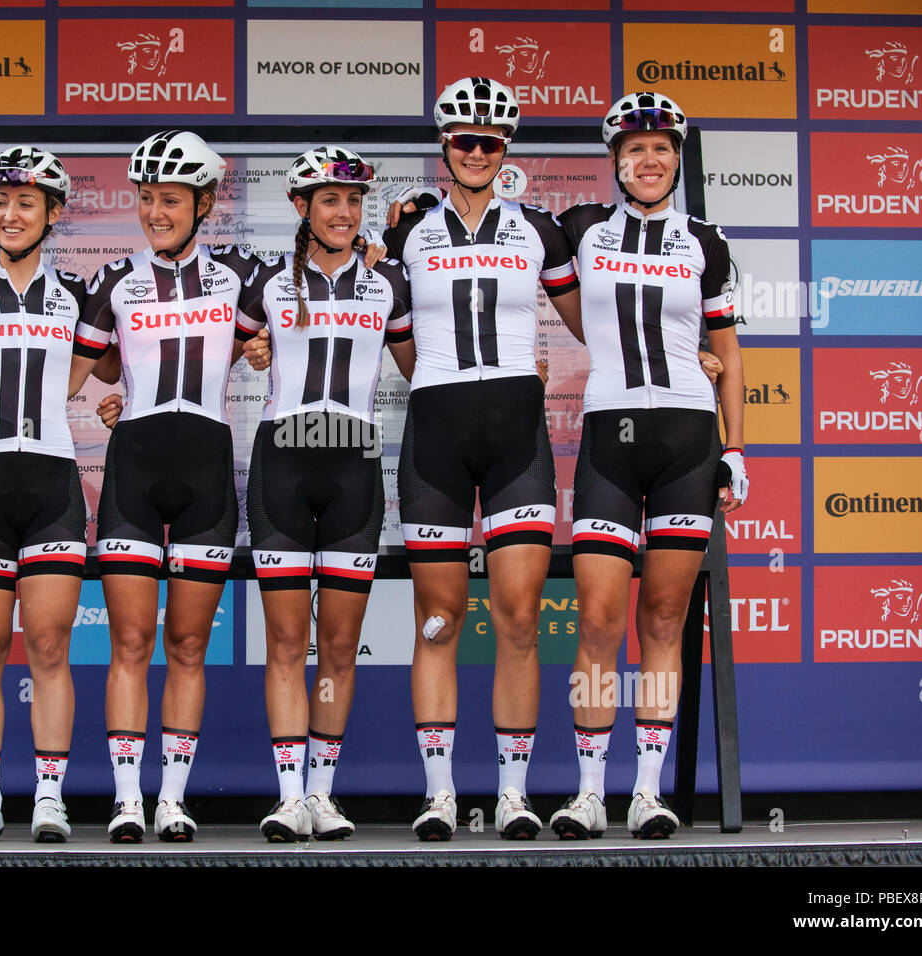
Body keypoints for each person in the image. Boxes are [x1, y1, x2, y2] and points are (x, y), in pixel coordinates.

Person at [381, 77, 584, 841]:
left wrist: (691, 350)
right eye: (463, 140)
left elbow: (595, 316)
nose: (475, 152)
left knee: (521, 620)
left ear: (506, 152)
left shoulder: (541, 229)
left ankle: (512, 795)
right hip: (434, 433)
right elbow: (393, 332)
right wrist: (439, 386)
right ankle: (438, 794)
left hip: (517, 441)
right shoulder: (404, 233)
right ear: (444, 147)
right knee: (437, 620)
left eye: (489, 142)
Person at [546, 92, 746, 840]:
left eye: (662, 148)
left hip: (688, 436)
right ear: (616, 162)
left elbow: (726, 354)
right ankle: (589, 791)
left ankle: (648, 792)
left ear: (677, 158)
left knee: (664, 616)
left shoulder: (706, 240)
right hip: (610, 437)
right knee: (598, 618)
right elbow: (504, 258)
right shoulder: (580, 228)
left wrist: (735, 446)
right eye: (635, 150)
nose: (650, 159)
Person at [81, 130, 265, 843]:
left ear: (205, 203)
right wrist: (112, 391)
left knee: (188, 644)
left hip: (208, 470)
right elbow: (92, 367)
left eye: (170, 199)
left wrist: (266, 344)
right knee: (129, 640)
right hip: (133, 466)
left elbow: (294, 314)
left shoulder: (242, 271)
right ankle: (129, 799)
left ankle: (172, 800)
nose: (155, 211)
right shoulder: (113, 279)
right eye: (146, 198)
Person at [234, 146, 416, 841]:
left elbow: (421, 365)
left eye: (353, 200)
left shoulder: (386, 281)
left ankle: (323, 792)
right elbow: (199, 355)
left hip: (357, 471)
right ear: (302, 207)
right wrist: (249, 351)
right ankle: (287, 796)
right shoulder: (267, 281)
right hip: (282, 463)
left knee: (340, 646)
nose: (344, 212)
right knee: (286, 640)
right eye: (329, 200)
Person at [0, 146, 109, 843]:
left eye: (27, 203)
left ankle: (49, 796)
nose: (10, 214)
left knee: (48, 644)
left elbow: (85, 376)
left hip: (50, 483)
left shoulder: (78, 292)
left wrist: (118, 399)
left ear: (55, 214)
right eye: (2, 203)